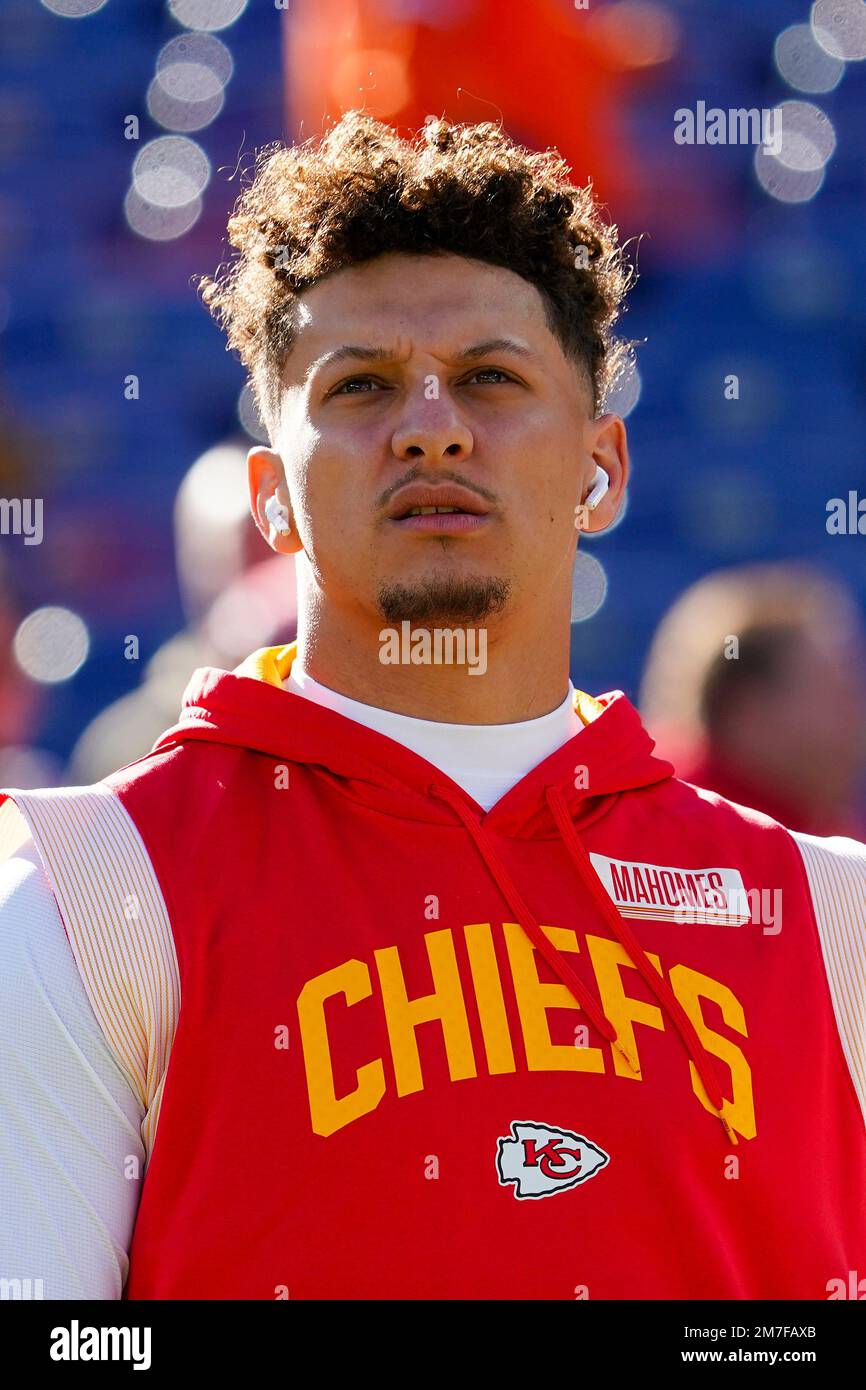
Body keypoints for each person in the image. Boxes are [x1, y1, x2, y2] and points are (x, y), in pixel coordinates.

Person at [0, 112, 864, 1301]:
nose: (429, 424)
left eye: (489, 378)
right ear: (270, 498)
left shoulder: (829, 920)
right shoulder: (89, 897)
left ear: (601, 468)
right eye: (359, 387)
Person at [640, 563, 866, 840]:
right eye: (837, 695)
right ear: (747, 711)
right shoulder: (655, 822)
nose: (856, 717)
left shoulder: (826, 832)